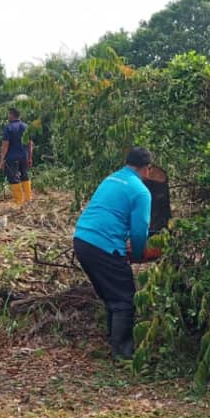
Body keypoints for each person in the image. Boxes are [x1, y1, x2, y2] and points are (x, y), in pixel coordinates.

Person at [73, 146, 153, 360]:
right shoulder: (141, 191)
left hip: (82, 239)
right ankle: (123, 355)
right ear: (147, 169)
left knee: (112, 296)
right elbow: (139, 230)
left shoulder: (111, 179)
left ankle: (113, 344)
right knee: (125, 299)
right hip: (103, 245)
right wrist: (137, 255)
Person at [0, 107, 33, 204]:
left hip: (12, 158)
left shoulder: (8, 128)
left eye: (9, 114)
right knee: (25, 176)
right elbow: (30, 144)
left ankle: (19, 202)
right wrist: (30, 157)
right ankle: (28, 199)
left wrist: (1, 161)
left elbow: (5, 146)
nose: (8, 116)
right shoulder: (26, 127)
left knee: (13, 178)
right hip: (24, 156)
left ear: (12, 115)